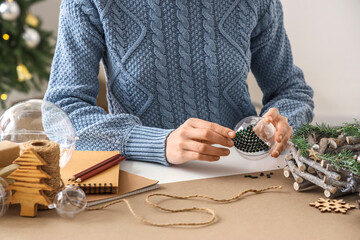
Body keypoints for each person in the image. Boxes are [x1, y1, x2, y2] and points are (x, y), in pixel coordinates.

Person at [45, 0, 314, 166]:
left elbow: (290, 90)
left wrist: (281, 123)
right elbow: (62, 109)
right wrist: (158, 143)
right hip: (141, 175)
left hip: (241, 167)